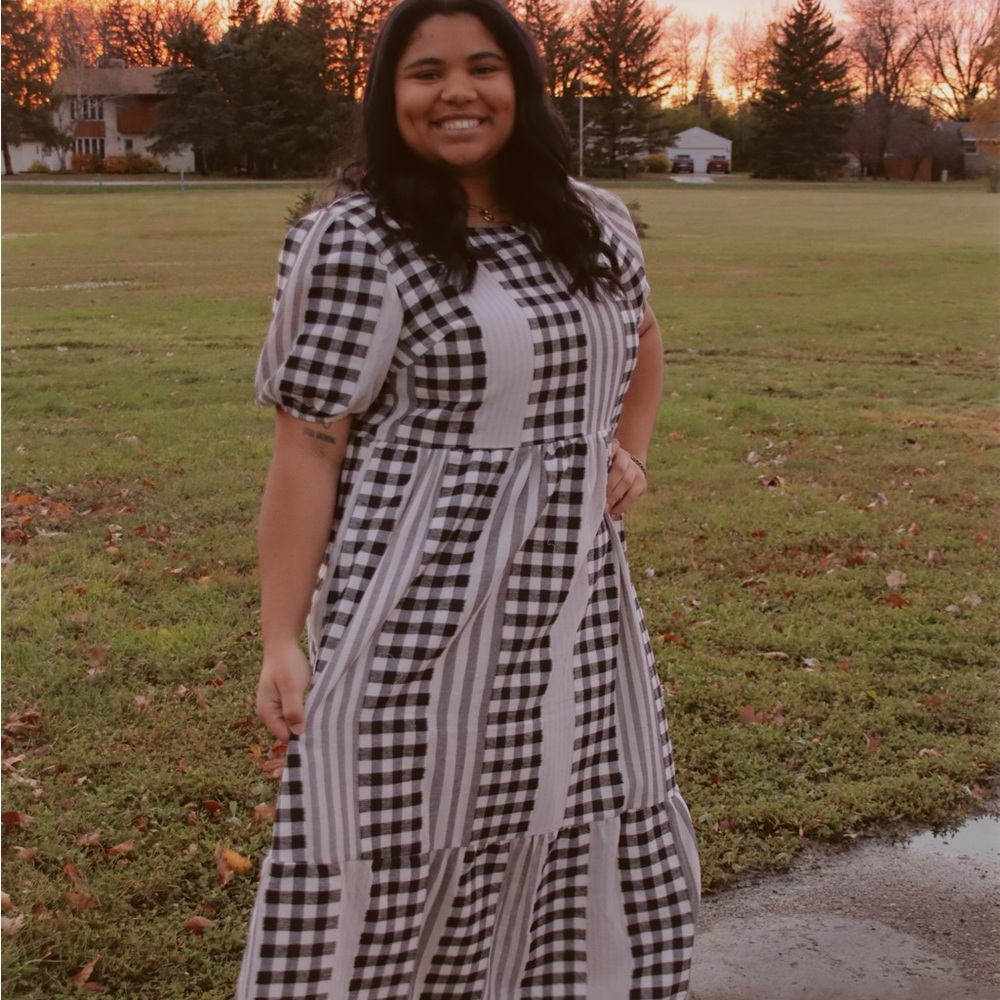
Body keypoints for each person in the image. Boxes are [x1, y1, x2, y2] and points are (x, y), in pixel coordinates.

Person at [237, 0, 699, 995]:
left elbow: (644, 336)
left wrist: (625, 447)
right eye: (425, 72)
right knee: (389, 842)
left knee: (563, 823)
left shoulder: (591, 221)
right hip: (414, 614)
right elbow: (310, 445)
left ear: (521, 88)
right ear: (387, 96)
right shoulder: (355, 240)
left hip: (573, 619)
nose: (457, 91)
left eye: (483, 67)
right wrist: (283, 635)